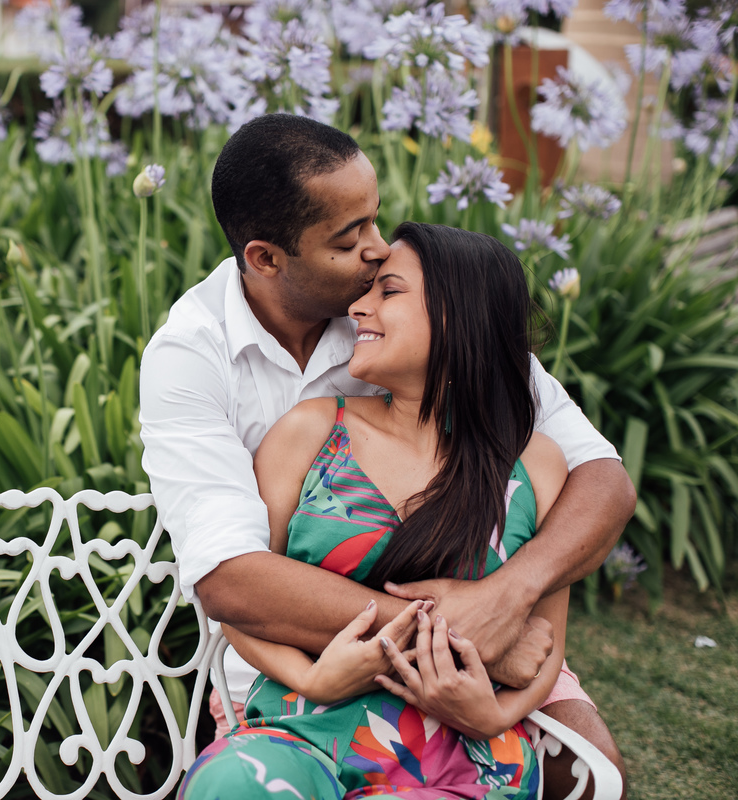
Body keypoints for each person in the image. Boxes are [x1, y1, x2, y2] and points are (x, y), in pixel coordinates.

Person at [138, 114, 634, 796]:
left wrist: (507, 597)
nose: (377, 251)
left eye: (374, 220)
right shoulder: (196, 356)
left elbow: (603, 481)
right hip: (310, 663)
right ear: (266, 259)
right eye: (349, 239)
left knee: (596, 771)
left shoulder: (421, 309)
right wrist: (450, 631)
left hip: (491, 647)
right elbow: (231, 579)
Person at [178, 221, 570, 798]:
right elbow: (242, 605)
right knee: (236, 783)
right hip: (303, 730)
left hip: (465, 751)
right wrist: (312, 677)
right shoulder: (311, 432)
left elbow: (545, 641)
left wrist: (494, 715)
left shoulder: (534, 465)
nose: (357, 307)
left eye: (388, 291)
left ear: (459, 314)